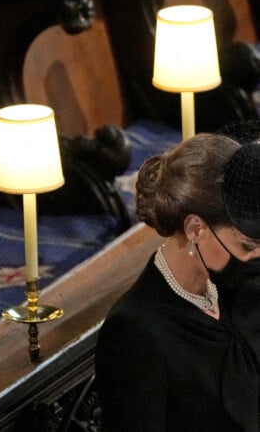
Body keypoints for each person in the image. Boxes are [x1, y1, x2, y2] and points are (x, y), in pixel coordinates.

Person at [95, 132, 260, 432]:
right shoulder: (134, 333)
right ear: (196, 228)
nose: (257, 256)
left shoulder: (242, 279)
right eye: (248, 246)